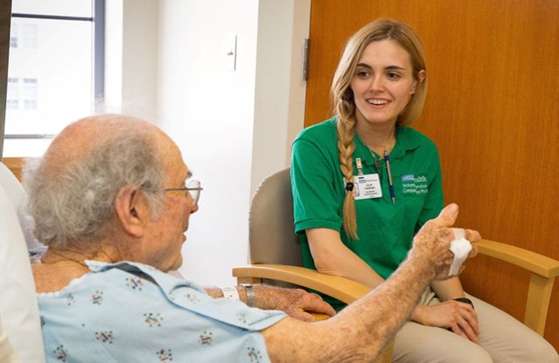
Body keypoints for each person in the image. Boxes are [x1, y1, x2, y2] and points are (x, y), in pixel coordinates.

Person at [28, 114, 476, 362]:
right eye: (183, 187)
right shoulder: (150, 306)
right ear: (132, 210)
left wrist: (252, 295)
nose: (193, 204)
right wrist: (420, 264)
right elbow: (343, 348)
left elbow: (155, 303)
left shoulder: (34, 275)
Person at [290, 19, 558, 363]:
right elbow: (327, 257)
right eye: (363, 73)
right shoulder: (314, 145)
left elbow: (433, 245)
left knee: (540, 355)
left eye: (392, 74)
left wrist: (458, 305)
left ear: (416, 83)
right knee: (471, 361)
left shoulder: (423, 151)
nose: (376, 87)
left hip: (419, 292)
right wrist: (417, 310)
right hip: (354, 301)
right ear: (348, 81)